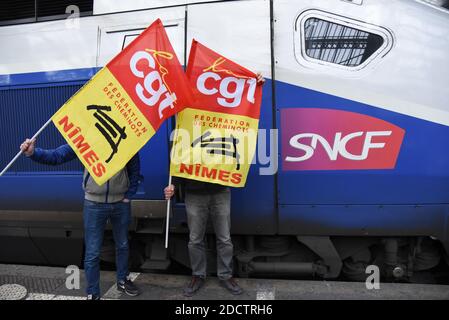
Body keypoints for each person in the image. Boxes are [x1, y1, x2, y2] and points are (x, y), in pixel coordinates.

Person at [164, 72, 265, 297]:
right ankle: (198, 276)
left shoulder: (223, 128)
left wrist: (254, 84)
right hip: (194, 195)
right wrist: (171, 186)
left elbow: (241, 108)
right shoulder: (184, 130)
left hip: (220, 192)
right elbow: (177, 164)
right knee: (195, 240)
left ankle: (225, 276)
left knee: (224, 239)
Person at [20, 139, 142, 300]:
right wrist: (33, 153)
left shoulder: (127, 140)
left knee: (123, 244)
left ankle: (123, 280)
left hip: (120, 203)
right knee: (92, 251)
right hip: (94, 203)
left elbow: (135, 169)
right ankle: (93, 292)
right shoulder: (87, 137)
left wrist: (129, 195)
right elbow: (57, 156)